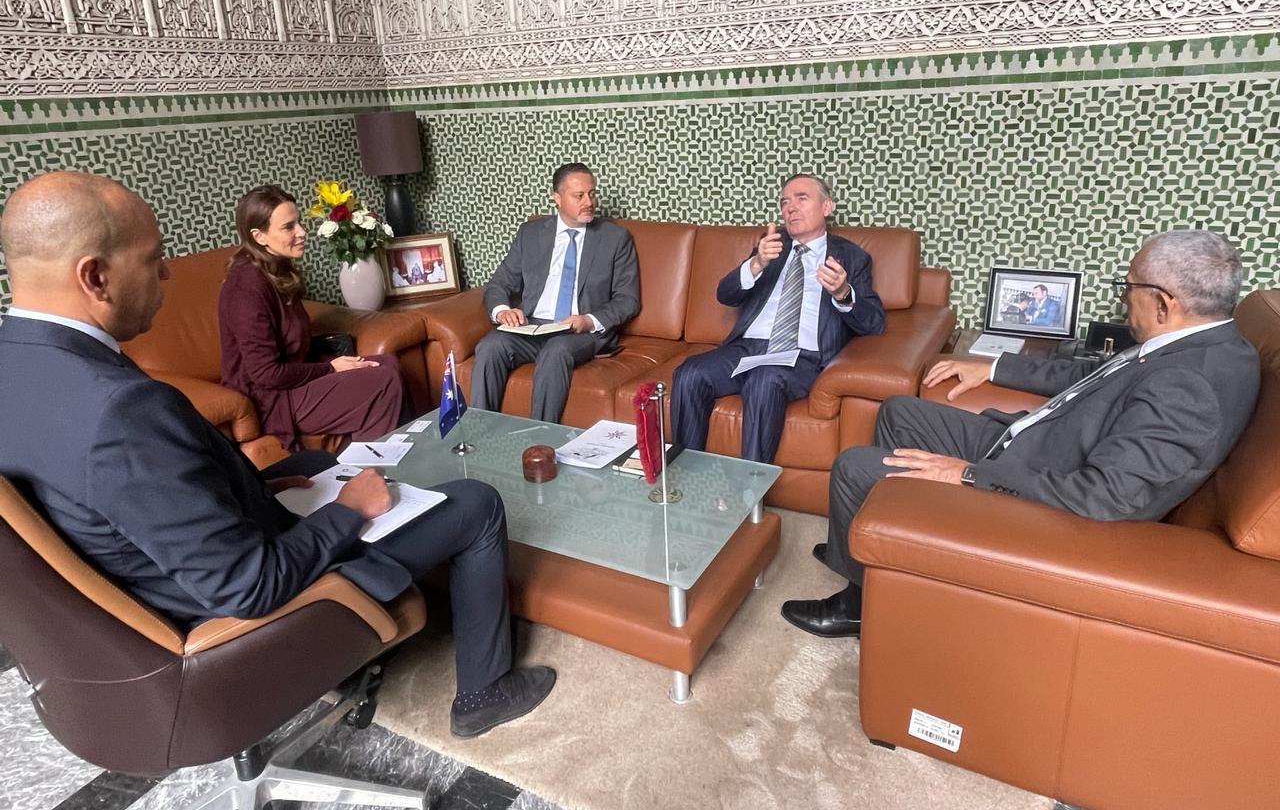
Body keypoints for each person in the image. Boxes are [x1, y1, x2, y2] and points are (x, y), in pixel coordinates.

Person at [0, 172, 554, 739]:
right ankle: (484, 693)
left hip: (154, 581)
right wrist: (351, 510)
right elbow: (249, 586)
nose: (165, 273)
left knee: (313, 467)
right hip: (230, 622)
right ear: (95, 277)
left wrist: (248, 489)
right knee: (476, 503)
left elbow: (125, 499)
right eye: (154, 258)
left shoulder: (16, 365)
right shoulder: (121, 412)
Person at [781, 230, 1260, 639]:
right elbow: (1091, 376)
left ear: (1163, 302)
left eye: (1128, 286)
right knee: (899, 411)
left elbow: (1106, 497)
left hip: (1034, 493)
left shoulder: (1190, 384)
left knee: (854, 467)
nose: (1122, 297)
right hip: (1030, 447)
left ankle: (859, 605)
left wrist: (966, 475)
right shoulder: (1195, 343)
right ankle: (869, 548)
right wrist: (992, 366)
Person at [670, 174, 885, 463]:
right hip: (747, 348)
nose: (790, 208)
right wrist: (756, 263)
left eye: (801, 199)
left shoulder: (852, 257)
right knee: (689, 373)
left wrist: (843, 292)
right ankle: (685, 473)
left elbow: (875, 323)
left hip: (800, 356)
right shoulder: (771, 246)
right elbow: (725, 295)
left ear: (827, 207)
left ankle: (752, 487)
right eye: (784, 202)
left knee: (764, 380)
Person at [218, 185, 404, 452]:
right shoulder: (246, 288)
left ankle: (390, 452)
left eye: (299, 223)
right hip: (269, 398)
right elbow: (265, 374)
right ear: (259, 236)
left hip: (292, 378)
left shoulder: (275, 269)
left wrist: (335, 362)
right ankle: (370, 467)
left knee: (388, 364)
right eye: (289, 227)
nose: (302, 232)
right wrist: (331, 368)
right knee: (381, 382)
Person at [471, 162, 639, 423]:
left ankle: (541, 439)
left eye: (592, 194)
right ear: (557, 198)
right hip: (532, 327)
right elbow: (499, 283)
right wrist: (503, 311)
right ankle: (479, 430)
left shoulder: (615, 238)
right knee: (490, 346)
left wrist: (588, 320)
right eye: (579, 195)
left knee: (556, 350)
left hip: (579, 332)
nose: (589, 202)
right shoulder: (530, 233)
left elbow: (628, 299)